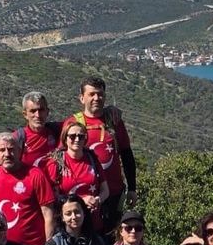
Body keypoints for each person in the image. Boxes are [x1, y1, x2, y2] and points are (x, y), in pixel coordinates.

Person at [60, 76, 137, 233]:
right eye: (92, 94)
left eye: (100, 94)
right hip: (84, 199)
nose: (96, 98)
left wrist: (132, 188)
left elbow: (126, 153)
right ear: (82, 98)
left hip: (113, 194)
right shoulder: (73, 124)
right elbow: (62, 159)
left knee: (111, 238)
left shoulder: (113, 121)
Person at [0, 131, 56, 245]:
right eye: (2, 150)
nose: (7, 154)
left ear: (19, 151)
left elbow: (48, 214)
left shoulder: (35, 175)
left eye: (11, 149)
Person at [39, 121, 111, 234]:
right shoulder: (56, 163)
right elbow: (52, 197)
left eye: (81, 136)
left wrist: (98, 200)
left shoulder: (92, 159)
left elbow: (105, 190)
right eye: (72, 136)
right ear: (65, 138)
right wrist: (81, 201)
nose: (77, 139)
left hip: (93, 223)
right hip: (68, 225)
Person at [36, 195, 109, 245]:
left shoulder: (96, 241)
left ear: (84, 213)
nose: (73, 217)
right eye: (68, 214)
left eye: (77, 212)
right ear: (62, 217)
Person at [15, 91, 62, 168]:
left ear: (47, 112)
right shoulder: (17, 138)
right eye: (33, 111)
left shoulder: (56, 130)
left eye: (41, 110)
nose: (38, 115)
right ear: (25, 114)